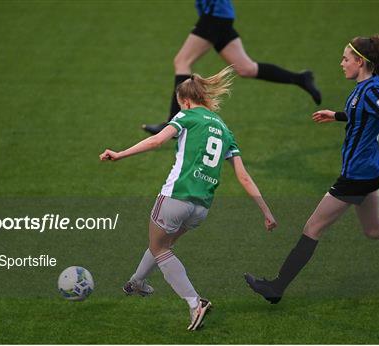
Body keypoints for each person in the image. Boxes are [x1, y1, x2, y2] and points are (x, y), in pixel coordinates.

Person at [244, 35, 379, 304]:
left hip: (356, 175)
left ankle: (276, 288)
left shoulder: (372, 92)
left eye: (346, 59)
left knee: (312, 227)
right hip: (366, 172)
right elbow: (360, 113)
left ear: (360, 62)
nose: (341, 63)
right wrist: (336, 115)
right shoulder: (364, 88)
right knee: (374, 230)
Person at [100, 66, 278, 329]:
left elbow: (156, 141)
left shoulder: (187, 116)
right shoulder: (226, 131)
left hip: (176, 197)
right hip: (201, 208)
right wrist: (266, 211)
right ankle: (136, 282)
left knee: (160, 248)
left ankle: (195, 303)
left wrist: (119, 154)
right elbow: (244, 177)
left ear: (184, 101)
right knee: (163, 244)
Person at [142, 0, 321, 135]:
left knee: (182, 61)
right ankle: (300, 78)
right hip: (217, 15)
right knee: (246, 68)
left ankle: (173, 123)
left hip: (215, 15)